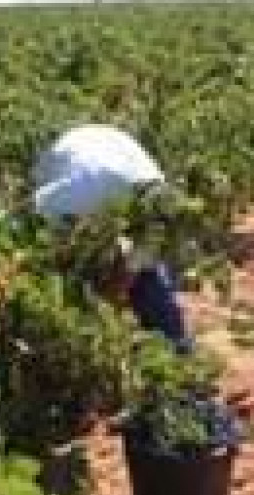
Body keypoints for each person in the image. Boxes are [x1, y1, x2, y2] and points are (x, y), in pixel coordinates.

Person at [32, 124, 194, 354]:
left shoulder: (154, 203)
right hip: (75, 155)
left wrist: (111, 294)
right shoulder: (65, 198)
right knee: (60, 272)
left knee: (148, 280)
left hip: (120, 156)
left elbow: (136, 264)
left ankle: (178, 353)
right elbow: (38, 217)